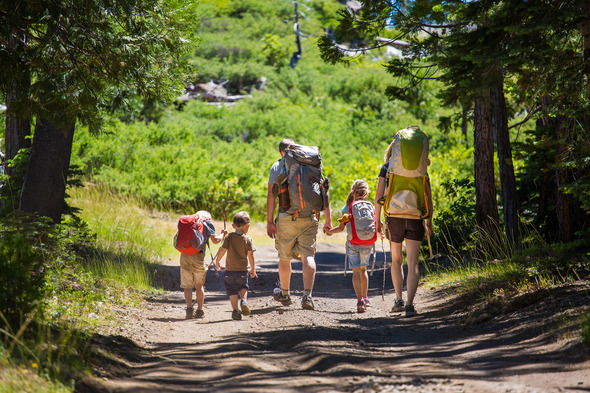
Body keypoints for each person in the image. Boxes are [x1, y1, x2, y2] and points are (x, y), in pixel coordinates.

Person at [267, 138, 332, 310]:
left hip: (287, 216)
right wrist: (328, 220)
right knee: (308, 256)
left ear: (282, 152)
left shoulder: (278, 166)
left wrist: (268, 221)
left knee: (284, 257)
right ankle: (307, 296)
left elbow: (271, 196)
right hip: (310, 215)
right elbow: (324, 190)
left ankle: (285, 293)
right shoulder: (312, 161)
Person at [375, 141, 433, 317]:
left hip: (394, 218)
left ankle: (399, 301)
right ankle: (410, 305)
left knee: (396, 260)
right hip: (416, 218)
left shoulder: (387, 167)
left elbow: (379, 196)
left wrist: (377, 220)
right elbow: (428, 198)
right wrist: (429, 222)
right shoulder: (421, 168)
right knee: (413, 263)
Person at [325, 179, 375, 313]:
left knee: (356, 272)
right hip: (367, 243)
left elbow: (341, 228)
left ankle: (359, 301)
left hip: (353, 242)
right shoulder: (370, 207)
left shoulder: (347, 208)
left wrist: (329, 231)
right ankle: (366, 298)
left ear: (353, 191)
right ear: (366, 193)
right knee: (364, 270)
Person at [180, 210, 227, 319]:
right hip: (198, 256)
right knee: (199, 284)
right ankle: (200, 310)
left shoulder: (189, 223)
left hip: (184, 254)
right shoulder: (207, 223)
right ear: (208, 218)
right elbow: (215, 240)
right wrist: (223, 234)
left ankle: (188, 309)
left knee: (187, 285)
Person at [215, 211, 257, 321]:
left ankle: (235, 311)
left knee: (232, 290)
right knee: (243, 287)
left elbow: (222, 249)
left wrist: (217, 261)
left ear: (233, 226)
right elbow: (250, 255)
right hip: (242, 270)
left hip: (229, 271)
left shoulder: (229, 237)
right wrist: (253, 268)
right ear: (247, 225)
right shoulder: (248, 239)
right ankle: (243, 300)